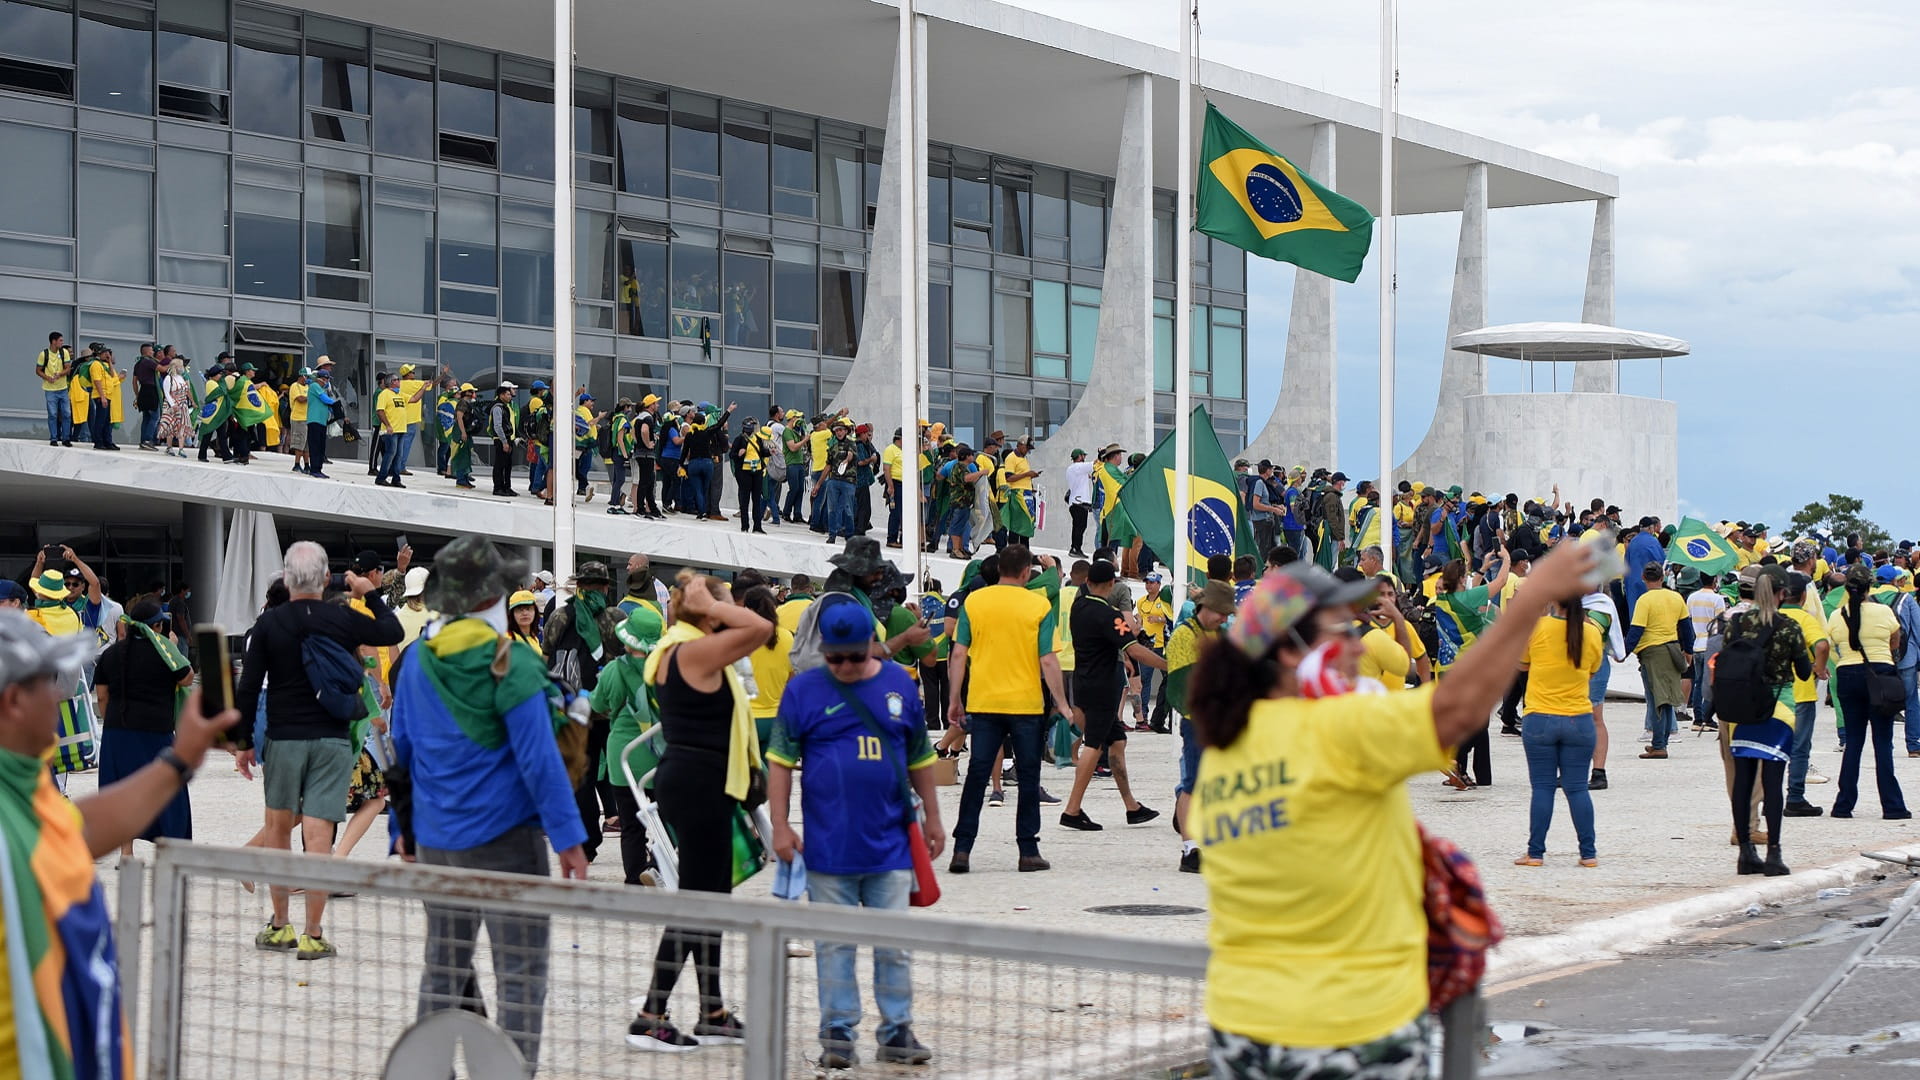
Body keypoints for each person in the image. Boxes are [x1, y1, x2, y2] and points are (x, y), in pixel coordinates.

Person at [1187, 546, 1593, 1080]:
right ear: (1291, 652)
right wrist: (1533, 598)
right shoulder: (1338, 729)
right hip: (1354, 1029)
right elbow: (1459, 709)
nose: (1358, 643)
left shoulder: (1226, 754)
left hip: (1243, 1026)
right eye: (1342, 630)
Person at [0, 611, 238, 1077]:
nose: (60, 696)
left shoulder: (23, 781)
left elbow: (75, 830)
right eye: (46, 683)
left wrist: (181, 759)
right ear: (12, 702)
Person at [389, 536, 589, 1072]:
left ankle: (427, 1070)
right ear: (492, 595)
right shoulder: (511, 663)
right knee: (521, 975)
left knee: (443, 967)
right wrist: (570, 839)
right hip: (505, 840)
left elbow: (399, 750)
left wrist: (399, 831)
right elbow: (540, 762)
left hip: (434, 840)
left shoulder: (416, 663)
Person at [768, 600, 943, 1069]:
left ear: (872, 645)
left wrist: (934, 819)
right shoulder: (802, 691)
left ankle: (897, 1029)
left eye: (852, 657)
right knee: (834, 945)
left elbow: (921, 757)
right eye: (834, 658)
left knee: (894, 944)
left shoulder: (897, 686)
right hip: (827, 847)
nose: (843, 666)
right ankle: (838, 1033)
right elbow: (780, 763)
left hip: (889, 844)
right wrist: (781, 825)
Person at [233, 541, 404, 960]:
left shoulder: (270, 625)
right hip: (331, 739)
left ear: (287, 579)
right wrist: (369, 592)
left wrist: (241, 743)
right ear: (327, 578)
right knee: (319, 832)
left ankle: (279, 925)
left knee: (278, 830)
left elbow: (249, 685)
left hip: (284, 737)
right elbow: (392, 633)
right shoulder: (341, 616)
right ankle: (313, 933)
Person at [626, 575, 767, 1051]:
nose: (732, 611)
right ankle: (650, 1014)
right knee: (696, 903)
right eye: (724, 607)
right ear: (708, 614)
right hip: (700, 781)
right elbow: (758, 629)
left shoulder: (680, 647)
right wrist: (714, 604)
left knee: (712, 899)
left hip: (699, 779)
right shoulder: (689, 652)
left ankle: (713, 1010)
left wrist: (709, 606)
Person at [946, 545, 1071, 874]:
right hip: (1026, 704)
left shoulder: (975, 601)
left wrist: (955, 698)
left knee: (977, 775)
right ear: (1026, 572)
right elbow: (1047, 659)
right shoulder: (1038, 605)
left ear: (999, 568)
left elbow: (959, 654)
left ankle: (962, 849)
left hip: (984, 701)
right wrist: (1061, 703)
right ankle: (1028, 850)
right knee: (1029, 777)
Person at [1059, 560, 1164, 831]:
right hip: (1103, 687)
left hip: (1083, 682)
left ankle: (1132, 806)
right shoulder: (1108, 615)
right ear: (1111, 584)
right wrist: (1168, 665)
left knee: (1116, 742)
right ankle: (1072, 810)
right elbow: (1135, 649)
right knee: (1094, 745)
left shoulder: (1079, 607)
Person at [1723, 566, 1812, 875]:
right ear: (1782, 593)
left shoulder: (1736, 623)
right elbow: (1803, 671)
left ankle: (1746, 852)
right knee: (1773, 783)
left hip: (1743, 709)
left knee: (1743, 782)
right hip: (1778, 707)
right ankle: (1773, 852)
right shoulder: (1788, 627)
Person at [92, 597, 197, 856]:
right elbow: (187, 679)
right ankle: (172, 847)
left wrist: (112, 721)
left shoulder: (112, 653)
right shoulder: (163, 650)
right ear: (157, 626)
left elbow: (102, 696)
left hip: (117, 731)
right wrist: (172, 647)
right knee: (166, 790)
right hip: (156, 732)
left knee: (121, 789)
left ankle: (126, 850)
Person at [1514, 597, 1606, 868]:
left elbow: (1521, 663)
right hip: (1579, 719)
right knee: (1577, 788)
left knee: (1542, 788)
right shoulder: (1590, 632)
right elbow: (1592, 670)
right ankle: (1588, 853)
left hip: (1540, 717)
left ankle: (1535, 853)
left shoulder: (1537, 627)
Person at [544, 561, 624, 849]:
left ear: (578, 586)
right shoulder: (616, 618)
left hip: (575, 710)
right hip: (612, 712)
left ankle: (588, 841)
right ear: (605, 587)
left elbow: (547, 661)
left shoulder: (559, 617)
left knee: (582, 777)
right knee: (620, 775)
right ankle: (630, 834)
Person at [1828, 562, 1909, 820]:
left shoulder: (1837, 615)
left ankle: (1843, 805)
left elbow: (1829, 644)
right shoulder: (1883, 611)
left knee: (1854, 742)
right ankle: (1892, 806)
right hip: (1880, 674)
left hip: (1848, 675)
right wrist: (1888, 655)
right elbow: (1896, 637)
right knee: (1883, 742)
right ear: (1868, 587)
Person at [1168, 582, 1236, 873]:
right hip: (1198, 723)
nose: (1224, 618)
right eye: (1222, 613)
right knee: (1193, 783)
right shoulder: (1184, 635)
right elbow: (1180, 686)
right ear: (1206, 608)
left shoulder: (1223, 637)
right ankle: (1190, 848)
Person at [1628, 562, 1695, 760]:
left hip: (1652, 652)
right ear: (1662, 578)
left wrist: (1623, 652)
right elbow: (1686, 628)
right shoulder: (1676, 597)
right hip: (1673, 650)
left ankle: (1659, 745)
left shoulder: (1644, 600)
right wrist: (1688, 651)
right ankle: (1661, 742)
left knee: (1657, 700)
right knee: (1666, 701)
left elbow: (1637, 630)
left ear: (1643, 578)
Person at [1779, 573, 1832, 817]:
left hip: (1772, 694)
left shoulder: (1770, 618)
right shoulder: (1805, 619)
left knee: (1771, 748)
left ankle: (1769, 797)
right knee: (1799, 748)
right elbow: (1821, 646)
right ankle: (1795, 797)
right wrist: (1819, 669)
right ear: (1803, 596)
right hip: (1801, 692)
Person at [731, 417, 770, 533]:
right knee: (745, 499)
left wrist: (769, 452)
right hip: (744, 472)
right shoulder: (739, 439)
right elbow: (732, 454)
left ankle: (757, 526)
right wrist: (739, 454)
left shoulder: (757, 438)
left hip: (757, 471)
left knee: (756, 499)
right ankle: (745, 525)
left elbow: (762, 452)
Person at [37, 330, 74, 446]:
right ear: (53, 341)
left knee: (67, 413)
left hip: (63, 388)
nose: (62, 343)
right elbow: (38, 370)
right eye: (60, 340)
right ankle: (54, 438)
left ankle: (66, 438)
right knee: (52, 414)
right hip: (50, 389)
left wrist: (60, 374)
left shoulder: (64, 353)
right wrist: (47, 377)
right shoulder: (44, 354)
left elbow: (68, 368)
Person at [490, 382, 519, 497]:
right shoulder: (498, 407)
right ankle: (498, 487)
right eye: (507, 394)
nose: (510, 396)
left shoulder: (507, 407)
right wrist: (504, 441)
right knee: (499, 465)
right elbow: (498, 426)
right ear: (501, 395)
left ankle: (507, 487)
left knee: (507, 465)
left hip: (508, 439)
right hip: (501, 440)